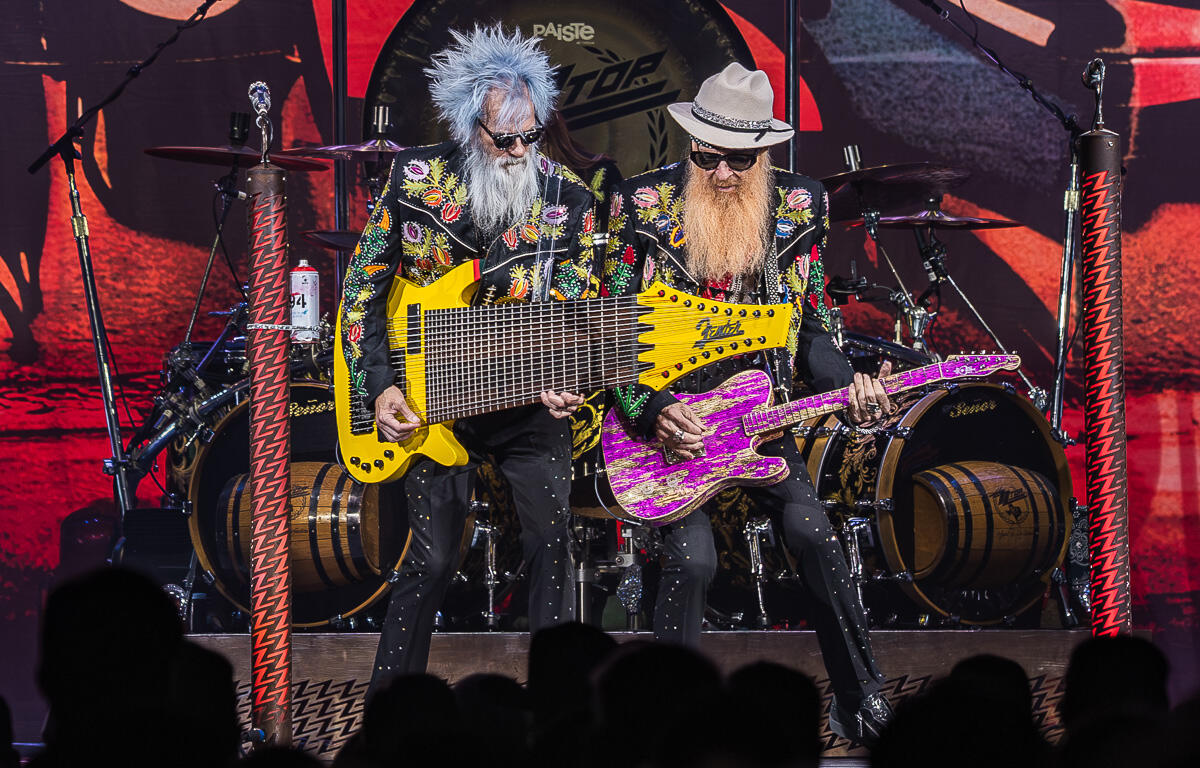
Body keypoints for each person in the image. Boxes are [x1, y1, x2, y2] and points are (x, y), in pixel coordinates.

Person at [602, 62, 893, 744]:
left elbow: (815, 328)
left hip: (759, 413)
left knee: (814, 534)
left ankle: (860, 700)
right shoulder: (639, 206)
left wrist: (847, 384)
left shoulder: (799, 207)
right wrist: (649, 410)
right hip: (667, 420)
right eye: (708, 155)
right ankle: (666, 725)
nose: (724, 173)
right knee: (693, 560)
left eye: (740, 158)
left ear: (765, 152)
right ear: (689, 145)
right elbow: (610, 333)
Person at [338, 25, 597, 694]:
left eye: (529, 136)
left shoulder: (569, 201)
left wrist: (573, 379)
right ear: (467, 124)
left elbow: (579, 311)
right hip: (428, 399)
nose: (517, 151)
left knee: (552, 547)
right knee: (430, 563)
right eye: (501, 138)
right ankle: (387, 717)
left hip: (523, 401)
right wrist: (378, 387)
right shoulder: (414, 179)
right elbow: (361, 290)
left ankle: (558, 720)